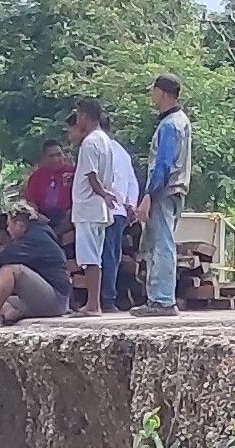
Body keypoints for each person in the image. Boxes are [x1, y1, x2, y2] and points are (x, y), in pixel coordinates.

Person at [64, 99, 136, 313]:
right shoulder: (106, 141)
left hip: (88, 207)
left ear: (84, 115)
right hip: (100, 209)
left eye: (78, 115)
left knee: (89, 258)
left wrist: (103, 193)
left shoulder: (89, 143)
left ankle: (93, 304)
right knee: (97, 255)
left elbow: (92, 176)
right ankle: (96, 301)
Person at [135, 73, 193, 316]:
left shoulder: (170, 125)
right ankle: (159, 298)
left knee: (161, 244)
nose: (152, 95)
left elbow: (163, 165)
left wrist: (149, 194)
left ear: (163, 93)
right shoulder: (182, 121)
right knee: (161, 242)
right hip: (176, 190)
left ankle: (162, 300)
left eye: (154, 91)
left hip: (165, 190)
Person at [0, 200, 71, 325]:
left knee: (9, 270)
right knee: (3, 304)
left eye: (9, 225)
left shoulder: (36, 238)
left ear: (19, 224)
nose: (8, 230)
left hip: (56, 301)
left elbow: (6, 257)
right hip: (54, 300)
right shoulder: (39, 233)